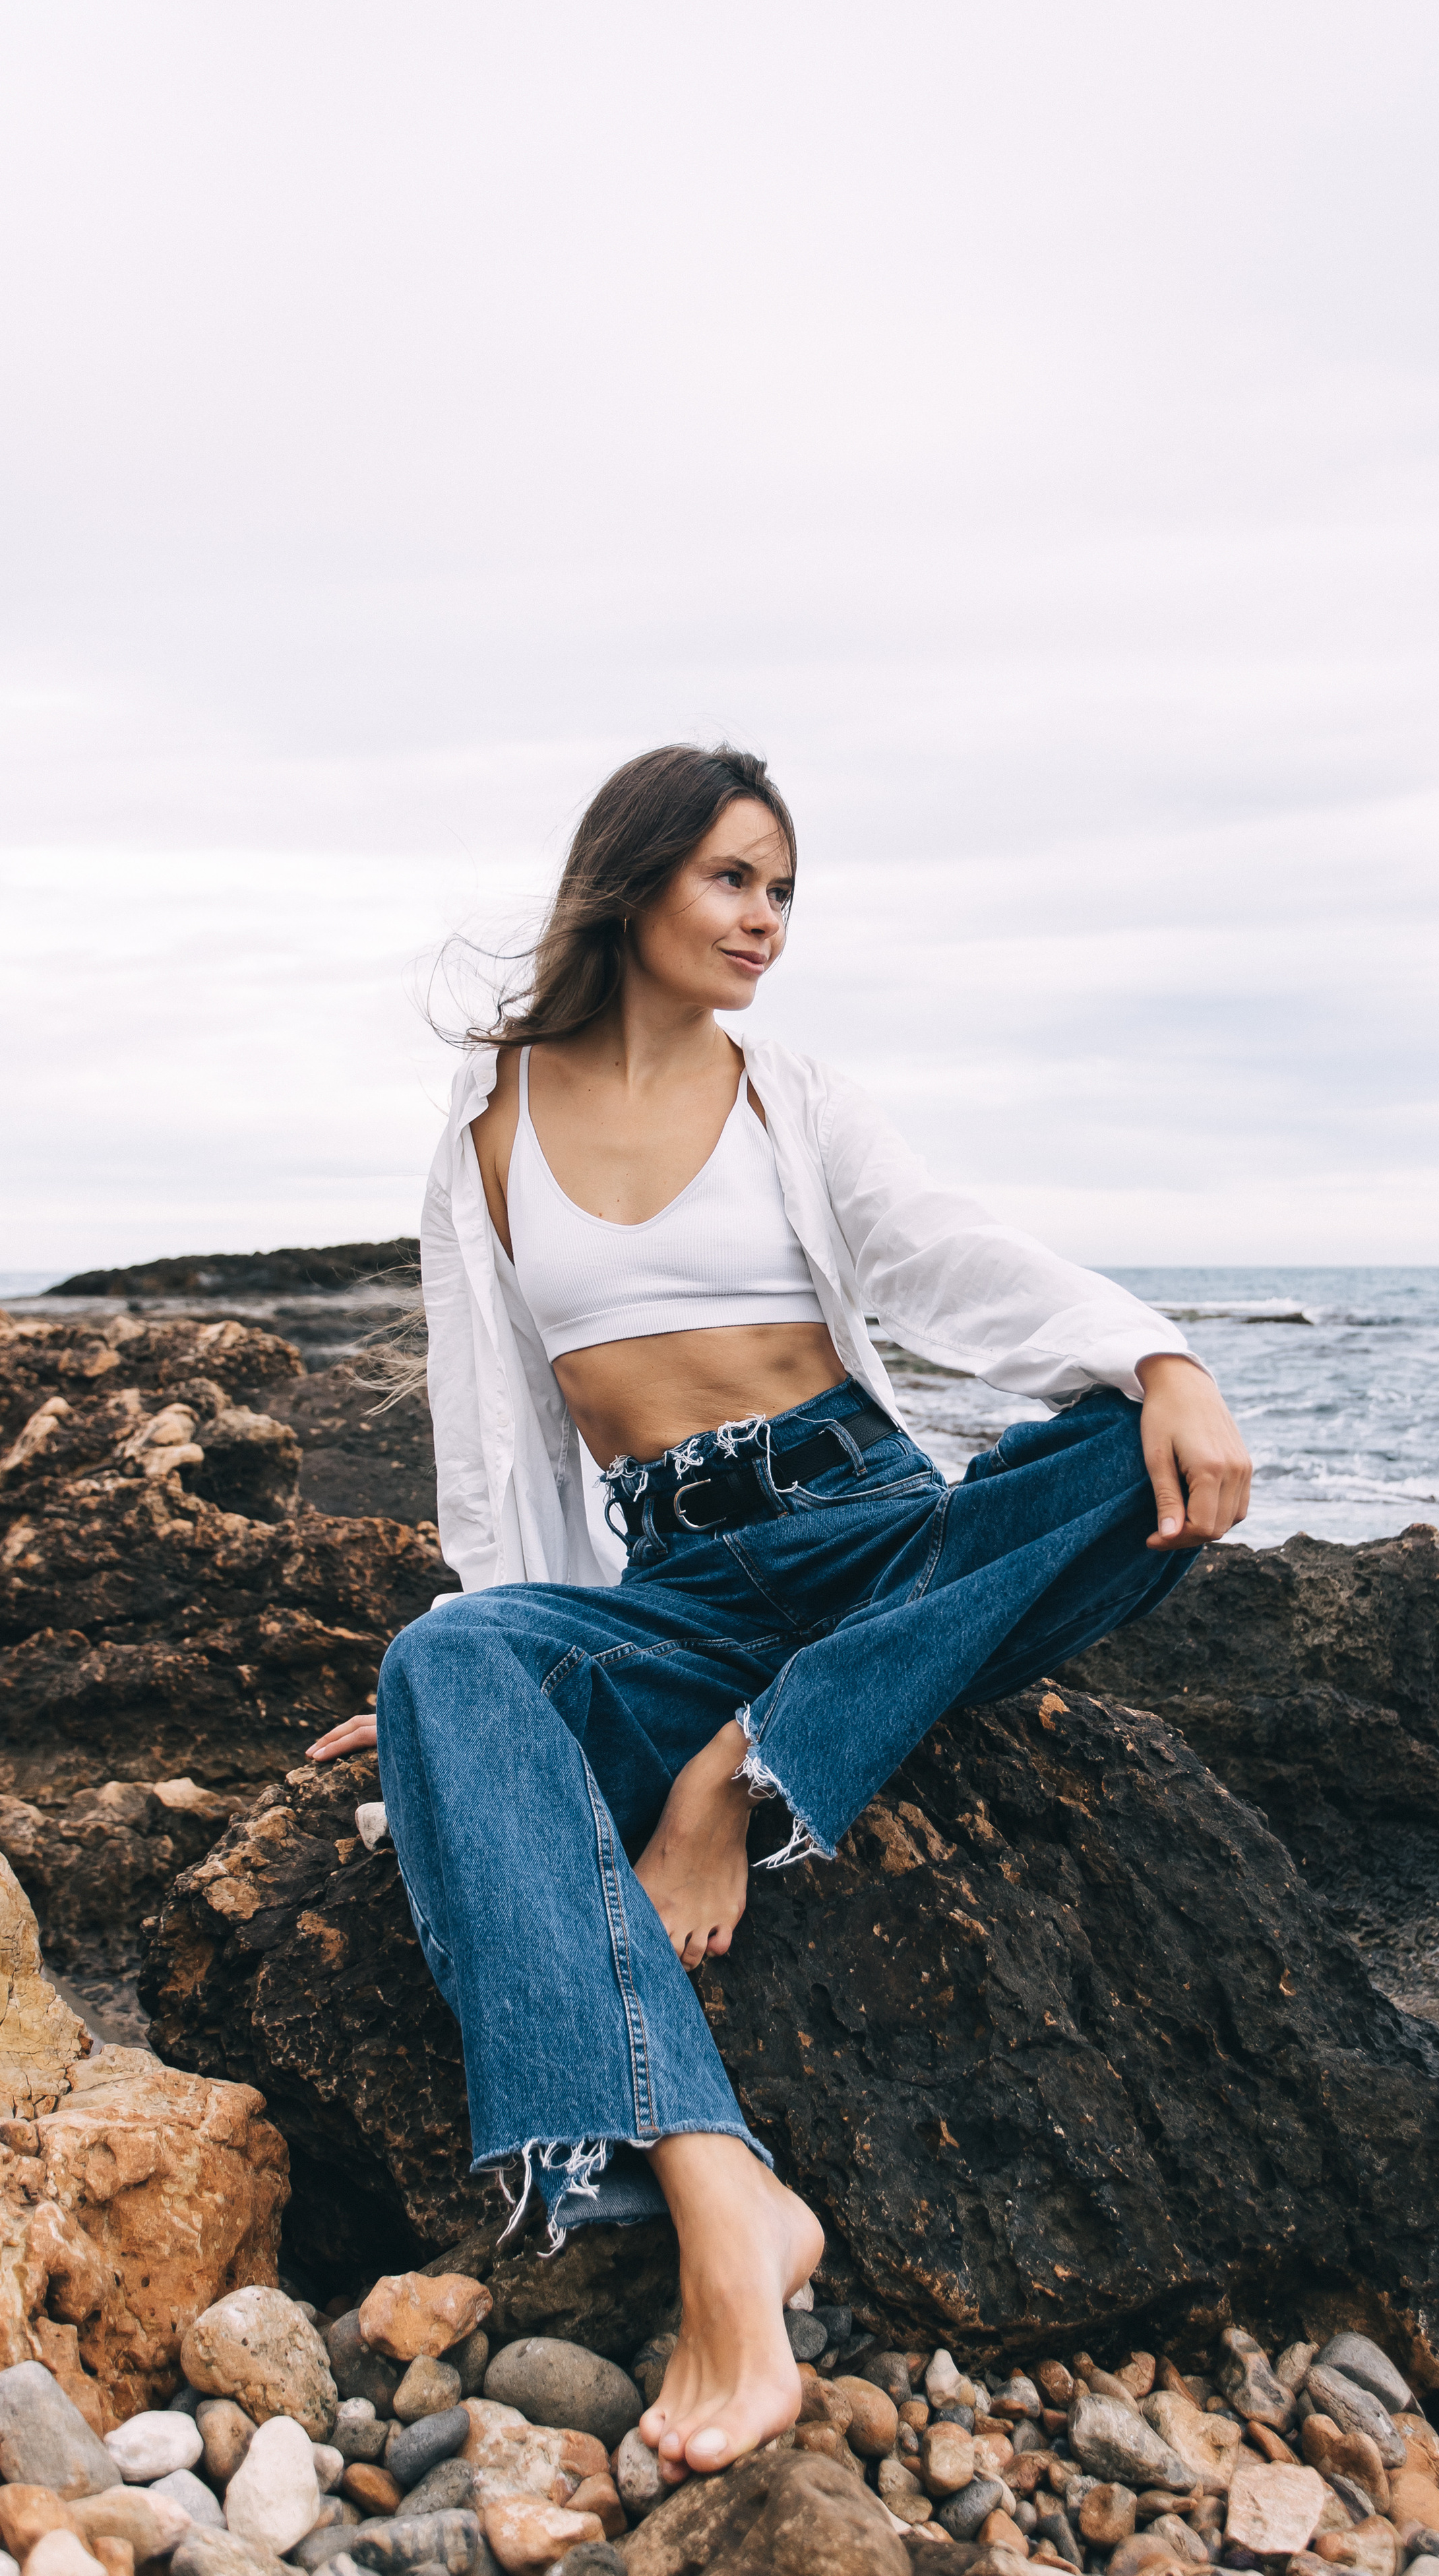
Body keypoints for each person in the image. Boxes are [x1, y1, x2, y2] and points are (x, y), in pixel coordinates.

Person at [309, 743, 1251, 2482]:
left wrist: (1160, 1356)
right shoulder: (489, 1125)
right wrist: (482, 1711)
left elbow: (949, 1260)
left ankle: (745, 1771)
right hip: (669, 1588)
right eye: (735, 879)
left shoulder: (785, 1095)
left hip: (870, 1544)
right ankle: (718, 2189)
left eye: (785, 891)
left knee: (1123, 1459)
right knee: (446, 1662)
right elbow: (496, 1433)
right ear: (637, 880)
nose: (765, 921)